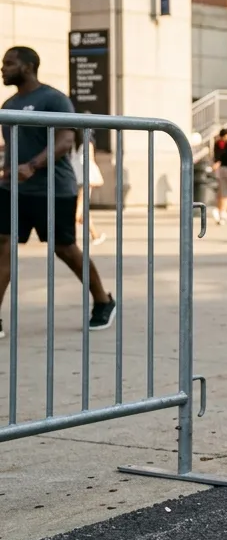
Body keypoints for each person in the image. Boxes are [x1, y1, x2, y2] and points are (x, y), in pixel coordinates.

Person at [0, 46, 117, 340]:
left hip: (52, 189)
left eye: (9, 63)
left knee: (64, 248)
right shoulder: (9, 103)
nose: (3, 68)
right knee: (2, 245)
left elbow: (65, 140)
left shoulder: (53, 99)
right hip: (13, 189)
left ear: (27, 67)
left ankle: (103, 301)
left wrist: (32, 165)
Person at [72, 139, 106, 246]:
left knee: (83, 207)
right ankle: (70, 231)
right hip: (86, 175)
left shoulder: (73, 141)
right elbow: (90, 159)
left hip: (76, 174)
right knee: (81, 206)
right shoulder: (88, 140)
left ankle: (94, 235)